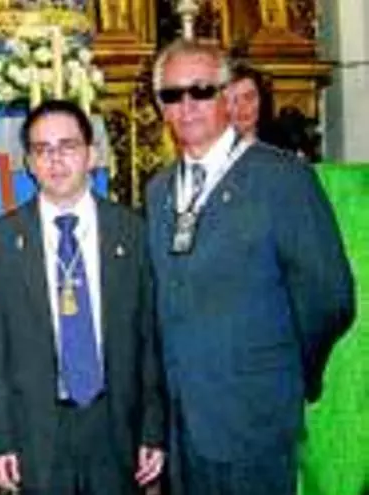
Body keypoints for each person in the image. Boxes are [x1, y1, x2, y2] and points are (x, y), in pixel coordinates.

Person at [146, 39, 355, 495]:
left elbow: (330, 297)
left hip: (254, 418)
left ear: (226, 96)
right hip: (183, 427)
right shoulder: (159, 190)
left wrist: (284, 370)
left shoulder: (283, 179)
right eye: (172, 94)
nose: (187, 106)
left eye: (201, 91)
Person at [0, 99, 166, 495]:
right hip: (38, 429)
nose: (55, 160)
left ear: (91, 155)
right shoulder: (0, 239)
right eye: (42, 149)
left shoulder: (132, 231)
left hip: (116, 423)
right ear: (29, 163)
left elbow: (150, 339)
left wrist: (153, 427)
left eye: (68, 146)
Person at [226, 62, 275, 144]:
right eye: (234, 99)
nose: (242, 107)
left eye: (248, 97)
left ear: (261, 100)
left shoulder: (277, 145)